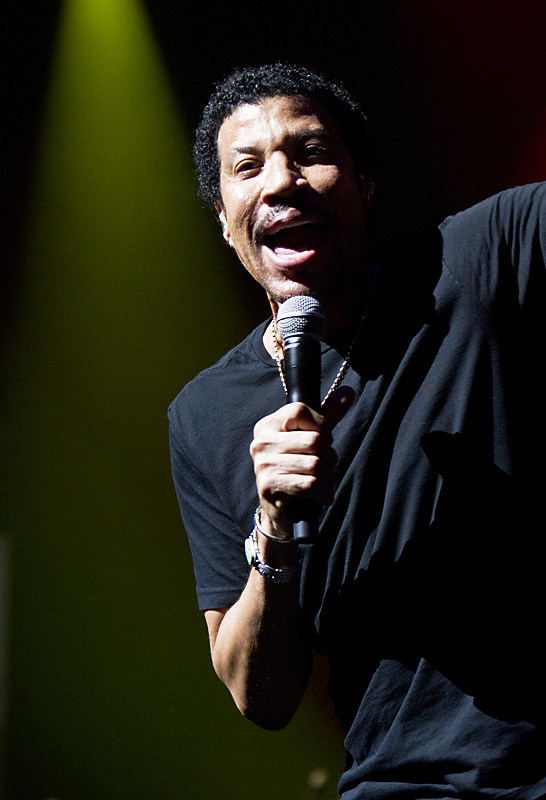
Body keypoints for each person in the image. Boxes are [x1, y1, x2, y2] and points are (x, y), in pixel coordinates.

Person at [168, 63, 546, 799]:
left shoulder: (479, 261)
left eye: (311, 152)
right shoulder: (204, 414)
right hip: (406, 785)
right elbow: (260, 696)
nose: (282, 181)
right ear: (222, 217)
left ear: (365, 183)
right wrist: (274, 529)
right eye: (248, 166)